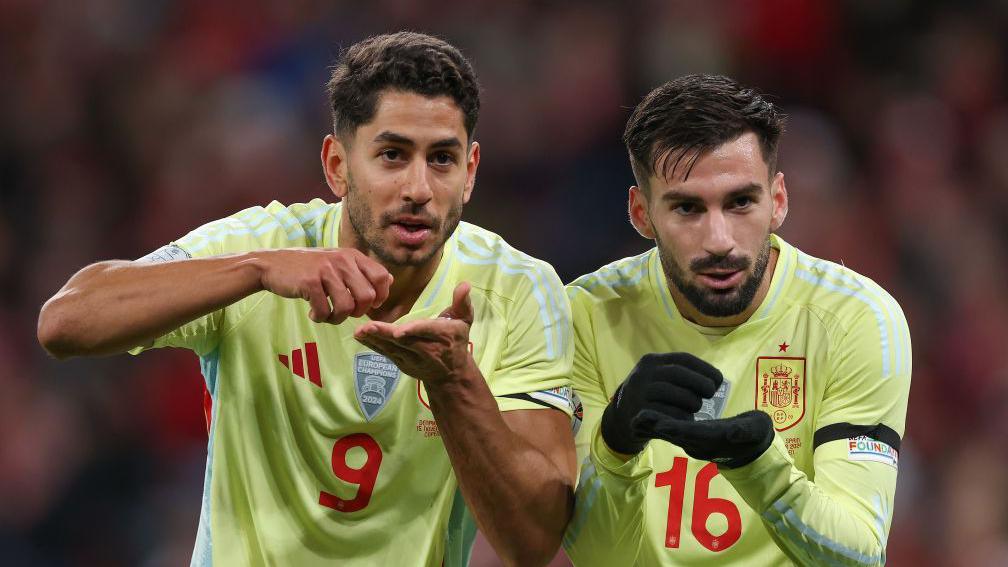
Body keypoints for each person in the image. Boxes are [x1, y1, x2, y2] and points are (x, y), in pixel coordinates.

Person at [37, 32, 576, 567]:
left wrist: (455, 384)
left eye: (441, 159)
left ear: (470, 172)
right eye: (392, 155)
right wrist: (257, 270)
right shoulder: (259, 247)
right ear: (337, 165)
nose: (418, 187)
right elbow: (65, 322)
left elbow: (531, 543)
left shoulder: (519, 290)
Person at [562, 74, 911, 566]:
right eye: (687, 208)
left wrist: (758, 465)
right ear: (641, 214)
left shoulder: (857, 319)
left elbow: (857, 557)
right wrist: (614, 447)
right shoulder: (584, 315)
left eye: (740, 202)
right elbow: (602, 558)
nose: (719, 240)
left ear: (779, 201)